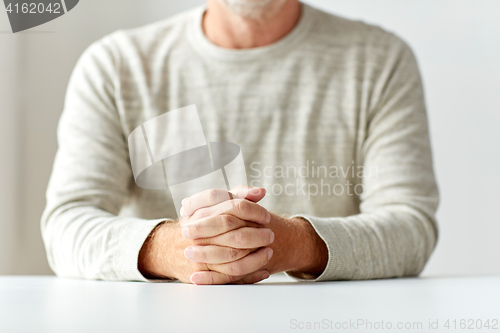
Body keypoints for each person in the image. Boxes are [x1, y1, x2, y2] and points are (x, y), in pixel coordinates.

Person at [41, 0, 439, 284]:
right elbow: (66, 224)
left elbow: (410, 225)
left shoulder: (381, 60)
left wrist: (294, 244)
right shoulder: (116, 65)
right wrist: (173, 248)